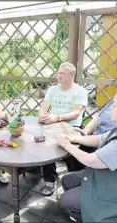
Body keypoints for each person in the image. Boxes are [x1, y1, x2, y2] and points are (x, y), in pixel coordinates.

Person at [57, 90, 117, 222]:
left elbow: (90, 160)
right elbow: (99, 139)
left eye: (115, 105)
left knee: (66, 200)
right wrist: (72, 138)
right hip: (115, 178)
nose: (111, 109)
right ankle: (84, 210)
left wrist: (65, 144)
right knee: (68, 180)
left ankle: (94, 216)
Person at [38, 62, 88, 196]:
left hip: (71, 127)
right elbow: (44, 106)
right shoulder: (53, 89)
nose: (58, 75)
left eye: (62, 73)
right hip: (52, 126)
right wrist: (42, 114)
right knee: (46, 147)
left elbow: (76, 113)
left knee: (71, 155)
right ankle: (49, 180)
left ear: (71, 75)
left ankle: (73, 181)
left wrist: (57, 117)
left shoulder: (80, 91)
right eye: (58, 72)